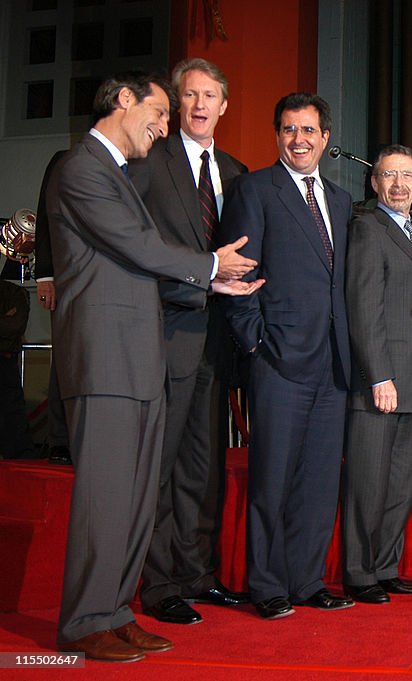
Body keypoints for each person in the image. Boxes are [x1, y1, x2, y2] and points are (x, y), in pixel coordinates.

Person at [48, 72, 260, 661]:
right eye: (160, 112)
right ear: (124, 101)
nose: (164, 126)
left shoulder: (114, 173)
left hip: (141, 357)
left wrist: (210, 276)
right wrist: (207, 264)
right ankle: (83, 621)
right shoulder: (82, 168)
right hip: (105, 359)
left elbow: (146, 254)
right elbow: (138, 246)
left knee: (137, 498)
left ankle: (113, 613)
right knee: (106, 497)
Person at [220, 92, 354, 620]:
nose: (298, 140)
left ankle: (307, 579)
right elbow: (238, 274)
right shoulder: (254, 188)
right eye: (289, 129)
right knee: (272, 478)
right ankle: (268, 584)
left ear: (325, 138)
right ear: (277, 134)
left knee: (319, 483)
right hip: (278, 360)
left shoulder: (341, 201)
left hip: (332, 364)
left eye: (308, 131)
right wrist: (255, 341)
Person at [130, 58, 250, 626]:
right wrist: (202, 275)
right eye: (190, 96)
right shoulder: (152, 160)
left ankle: (198, 573)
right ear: (179, 104)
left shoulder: (234, 169)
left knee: (203, 466)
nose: (200, 105)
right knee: (164, 462)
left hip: (217, 340)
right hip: (165, 331)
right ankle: (159, 584)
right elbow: (134, 244)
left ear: (225, 105)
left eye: (210, 96)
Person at [342, 145, 412, 604]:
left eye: (407, 175)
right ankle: (359, 572)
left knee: (401, 482)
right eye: (389, 175)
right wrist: (379, 375)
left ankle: (385, 566)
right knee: (368, 481)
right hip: (381, 383)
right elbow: (363, 308)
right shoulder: (367, 229)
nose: (399, 184)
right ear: (374, 183)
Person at [32, 150, 72, 465]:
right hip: (66, 280)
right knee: (65, 358)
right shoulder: (63, 160)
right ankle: (59, 440)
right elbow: (44, 218)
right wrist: (45, 275)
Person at [0, 278, 35, 459]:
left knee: (12, 414)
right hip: (6, 356)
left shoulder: (15, 293)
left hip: (5, 363)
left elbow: (15, 325)